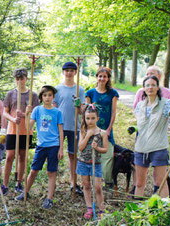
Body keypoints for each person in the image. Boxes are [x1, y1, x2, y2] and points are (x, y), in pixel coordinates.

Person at [16, 85, 63, 209]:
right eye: (45, 95)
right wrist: (27, 114)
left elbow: (61, 131)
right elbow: (28, 127)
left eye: (50, 95)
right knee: (33, 170)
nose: (47, 98)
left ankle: (49, 199)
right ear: (41, 97)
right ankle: (25, 192)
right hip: (41, 146)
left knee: (51, 172)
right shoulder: (37, 110)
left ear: (53, 97)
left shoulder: (57, 112)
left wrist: (61, 148)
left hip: (54, 145)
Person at [2, 68, 39, 195]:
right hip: (13, 130)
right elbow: (4, 112)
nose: (20, 81)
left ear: (26, 79)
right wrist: (13, 119)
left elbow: (35, 114)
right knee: (9, 156)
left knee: (22, 156)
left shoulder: (33, 95)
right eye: (17, 79)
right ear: (15, 79)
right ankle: (4, 185)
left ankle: (19, 182)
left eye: (22, 78)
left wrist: (24, 114)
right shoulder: (10, 94)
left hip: (26, 130)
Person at [54, 61, 86, 196]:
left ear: (75, 72)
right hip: (59, 127)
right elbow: (54, 108)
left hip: (74, 127)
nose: (69, 73)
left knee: (73, 155)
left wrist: (79, 105)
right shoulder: (57, 89)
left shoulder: (80, 89)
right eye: (66, 70)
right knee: (55, 154)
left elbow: (83, 112)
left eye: (72, 70)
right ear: (63, 72)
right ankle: (53, 182)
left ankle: (74, 183)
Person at [85, 67, 118, 189]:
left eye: (105, 76)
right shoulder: (90, 93)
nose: (102, 79)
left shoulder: (113, 93)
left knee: (108, 154)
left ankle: (108, 182)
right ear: (97, 77)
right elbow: (86, 112)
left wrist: (109, 129)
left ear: (108, 78)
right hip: (93, 128)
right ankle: (94, 181)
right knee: (93, 154)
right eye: (100, 76)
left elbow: (113, 112)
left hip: (106, 128)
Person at [77, 105, 108, 219]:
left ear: (97, 119)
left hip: (96, 163)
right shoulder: (83, 131)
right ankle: (89, 207)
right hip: (83, 162)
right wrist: (88, 136)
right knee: (86, 185)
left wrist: (97, 148)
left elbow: (105, 149)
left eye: (93, 118)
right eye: (87, 118)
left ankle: (101, 209)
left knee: (98, 187)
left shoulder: (102, 133)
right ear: (84, 118)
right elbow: (80, 148)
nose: (90, 121)